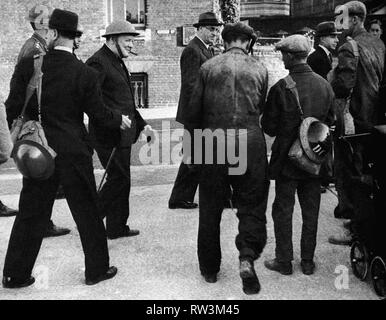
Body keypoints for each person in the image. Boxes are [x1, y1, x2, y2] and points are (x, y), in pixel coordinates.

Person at [2, 9, 132, 288]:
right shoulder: (83, 72)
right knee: (88, 212)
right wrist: (118, 119)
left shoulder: (31, 65)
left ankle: (15, 274)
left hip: (40, 152)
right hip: (74, 152)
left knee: (31, 213)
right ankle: (96, 270)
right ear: (73, 38)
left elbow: (12, 105)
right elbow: (98, 113)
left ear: (53, 33)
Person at [183, 22, 269, 295]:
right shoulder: (260, 68)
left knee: (210, 207)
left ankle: (209, 269)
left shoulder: (208, 67)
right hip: (249, 143)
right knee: (252, 205)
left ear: (226, 41)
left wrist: (191, 151)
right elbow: (261, 108)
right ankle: (246, 255)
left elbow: (193, 113)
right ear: (247, 42)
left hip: (214, 143)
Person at [262, 35, 335, 276]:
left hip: (287, 160)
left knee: (283, 209)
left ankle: (284, 261)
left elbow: (269, 127)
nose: (281, 57)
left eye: (283, 54)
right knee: (311, 210)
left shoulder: (282, 87)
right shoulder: (325, 85)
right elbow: (331, 123)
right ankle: (307, 261)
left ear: (291, 57)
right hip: (314, 160)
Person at [86, 20, 155, 240]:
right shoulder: (98, 62)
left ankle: (116, 227)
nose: (131, 45)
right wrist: (115, 120)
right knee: (118, 179)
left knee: (122, 179)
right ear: (112, 40)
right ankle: (91, 220)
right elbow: (91, 102)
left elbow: (126, 102)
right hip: (108, 135)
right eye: (127, 40)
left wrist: (143, 124)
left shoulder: (116, 60)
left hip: (122, 134)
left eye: (132, 40)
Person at [328, 1, 385, 245]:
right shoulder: (379, 44)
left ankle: (354, 228)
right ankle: (366, 222)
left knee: (349, 171)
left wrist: (331, 79)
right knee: (368, 172)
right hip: (375, 119)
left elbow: (343, 86)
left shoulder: (348, 46)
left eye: (342, 20)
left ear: (355, 19)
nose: (340, 26)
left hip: (352, 118)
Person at [13, 3, 70, 236]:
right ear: (39, 23)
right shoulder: (34, 49)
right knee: (37, 174)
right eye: (48, 20)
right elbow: (26, 87)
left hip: (36, 119)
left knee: (41, 175)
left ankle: (42, 222)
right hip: (34, 121)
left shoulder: (37, 45)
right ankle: (41, 224)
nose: (51, 24)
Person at [168, 12, 223, 210]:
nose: (215, 33)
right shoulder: (193, 50)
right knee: (194, 156)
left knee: (197, 156)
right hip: (195, 113)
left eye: (216, 29)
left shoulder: (205, 49)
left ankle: (180, 197)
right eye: (210, 29)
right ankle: (180, 198)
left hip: (199, 113)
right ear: (199, 29)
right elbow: (191, 86)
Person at [307, 21, 341, 194]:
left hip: (322, 106)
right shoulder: (317, 58)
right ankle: (320, 178)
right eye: (333, 36)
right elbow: (322, 88)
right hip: (320, 107)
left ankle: (324, 177)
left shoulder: (322, 55)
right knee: (320, 140)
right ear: (322, 38)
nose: (336, 40)